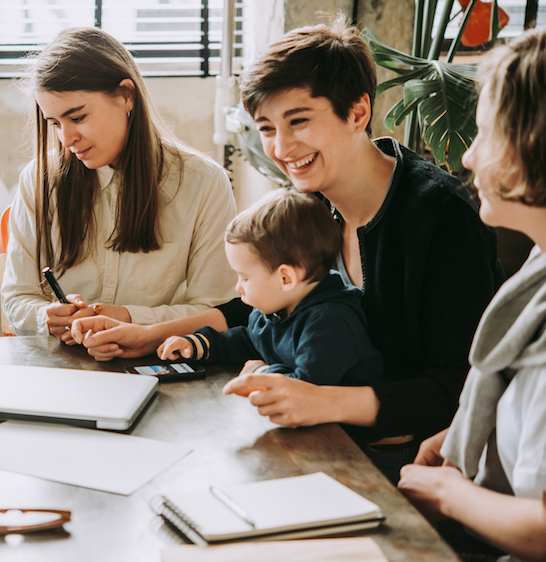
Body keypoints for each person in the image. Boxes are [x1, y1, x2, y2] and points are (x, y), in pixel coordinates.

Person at [72, 17, 502, 481]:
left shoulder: (439, 216)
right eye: (267, 127)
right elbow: (255, 307)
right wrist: (147, 335)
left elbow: (460, 385)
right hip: (317, 442)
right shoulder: (310, 199)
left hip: (414, 463)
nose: (280, 147)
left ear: (357, 113)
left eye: (298, 121)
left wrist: (318, 399)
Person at [398, 27, 546, 562]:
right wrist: (468, 437)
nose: (468, 156)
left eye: (486, 134)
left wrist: (447, 494)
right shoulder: (539, 261)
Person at [1, 26, 238, 339]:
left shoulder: (205, 184)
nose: (67, 138)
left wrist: (126, 318)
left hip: (159, 363)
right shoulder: (39, 180)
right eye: (55, 124)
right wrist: (47, 317)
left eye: (78, 117)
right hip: (62, 369)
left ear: (126, 96)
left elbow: (217, 311)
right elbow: (17, 299)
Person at [158, 189, 382, 387]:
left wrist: (260, 372)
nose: (239, 287)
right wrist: (198, 344)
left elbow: (307, 388)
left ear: (286, 278)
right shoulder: (275, 309)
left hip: (356, 433)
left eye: (244, 278)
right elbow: (250, 340)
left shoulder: (329, 323)